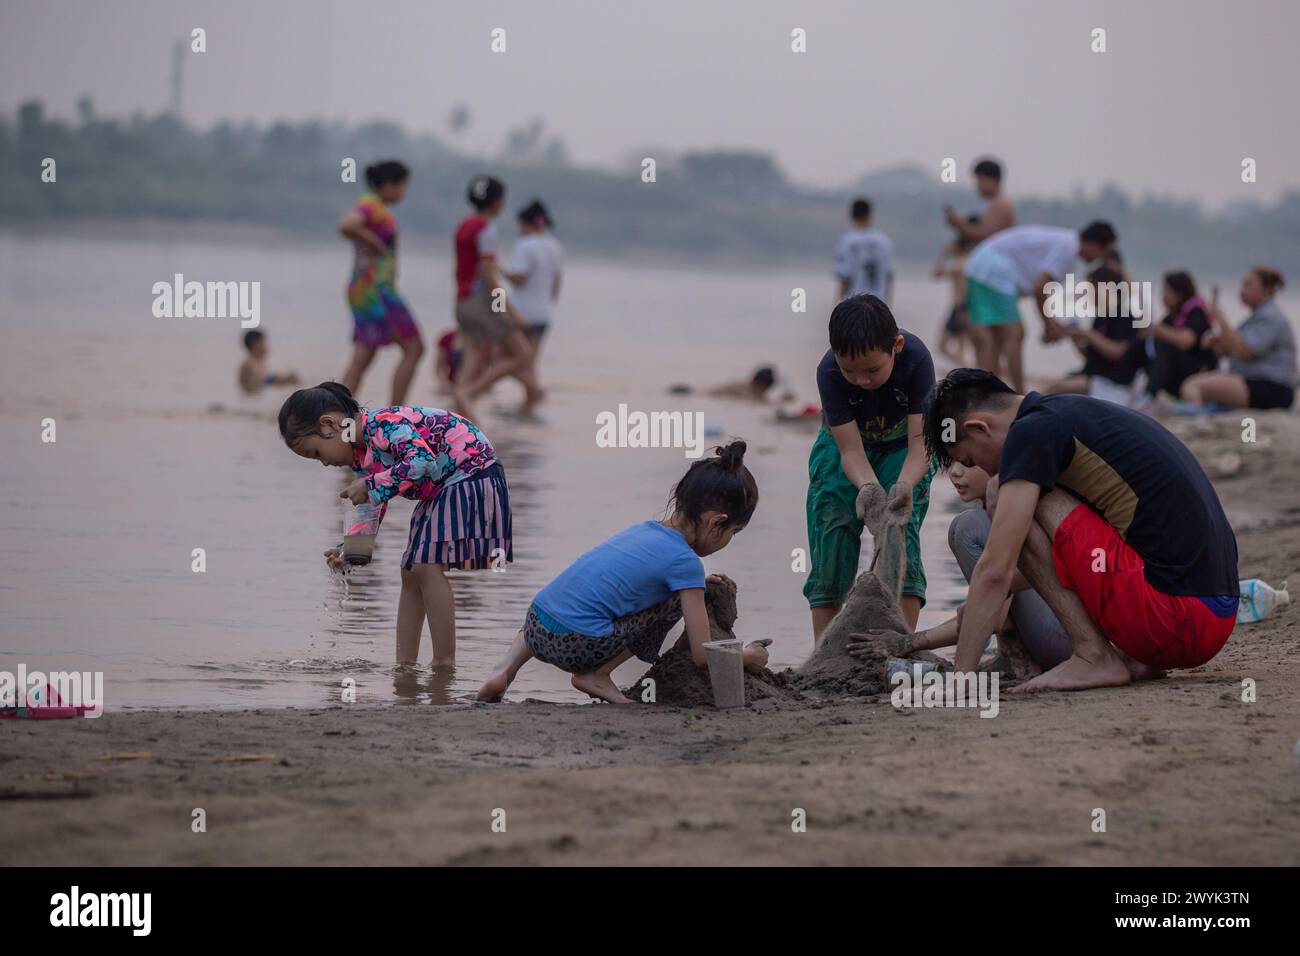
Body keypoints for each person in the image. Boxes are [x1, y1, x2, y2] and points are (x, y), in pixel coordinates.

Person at [922, 369, 1239, 692]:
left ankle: (1093, 655)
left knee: (999, 488)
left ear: (979, 426)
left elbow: (995, 570)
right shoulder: (1069, 414)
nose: (981, 469)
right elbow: (1035, 572)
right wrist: (976, 609)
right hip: (1217, 616)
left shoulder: (1030, 433)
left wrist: (960, 680)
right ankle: (1127, 656)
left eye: (971, 459)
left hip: (1174, 619)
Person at [476, 441, 768, 704]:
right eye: (734, 532)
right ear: (716, 522)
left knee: (565, 598)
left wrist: (691, 583)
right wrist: (746, 656)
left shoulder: (641, 531)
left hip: (534, 625)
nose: (730, 540)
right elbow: (702, 656)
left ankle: (503, 670)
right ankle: (597, 676)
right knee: (677, 599)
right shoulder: (686, 564)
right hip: (577, 646)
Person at [278, 382, 512, 665]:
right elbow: (372, 504)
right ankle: (405, 665)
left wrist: (372, 483)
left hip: (471, 473)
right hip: (444, 486)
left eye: (316, 453)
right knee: (410, 571)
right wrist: (351, 551)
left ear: (329, 424)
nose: (323, 463)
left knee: (426, 565)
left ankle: (443, 662)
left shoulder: (381, 425)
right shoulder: (361, 454)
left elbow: (422, 461)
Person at [850, 462, 1070, 672]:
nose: (955, 472)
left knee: (967, 527)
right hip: (1061, 635)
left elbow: (989, 616)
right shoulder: (1012, 502)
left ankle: (1018, 659)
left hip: (1063, 642)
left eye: (968, 462)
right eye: (951, 462)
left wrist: (907, 642)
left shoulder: (1014, 510)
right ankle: (1013, 655)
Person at [804, 294, 938, 640]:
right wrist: (866, 486)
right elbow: (849, 451)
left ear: (896, 345)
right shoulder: (829, 372)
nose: (861, 380)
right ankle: (826, 654)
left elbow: (921, 443)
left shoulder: (917, 361)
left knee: (899, 531)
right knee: (831, 528)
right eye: (851, 371)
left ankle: (901, 645)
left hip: (903, 448)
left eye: (872, 370)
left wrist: (905, 485)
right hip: (845, 448)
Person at [964, 220, 1118, 392]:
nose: (1099, 258)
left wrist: (1051, 324)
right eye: (1103, 252)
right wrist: (1048, 324)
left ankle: (984, 390)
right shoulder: (1069, 248)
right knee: (1014, 334)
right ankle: (1018, 394)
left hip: (982, 265)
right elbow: (1040, 288)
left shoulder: (1066, 242)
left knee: (996, 337)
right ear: (1096, 244)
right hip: (994, 271)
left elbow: (1042, 292)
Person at [452, 175, 544, 419]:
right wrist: (511, 312)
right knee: (523, 354)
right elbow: (489, 275)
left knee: (472, 355)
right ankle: (470, 393)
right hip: (481, 300)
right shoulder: (486, 229)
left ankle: (457, 413)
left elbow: (461, 269)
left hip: (462, 301)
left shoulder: (463, 225)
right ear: (495, 202)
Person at [338, 160, 424, 405]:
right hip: (375, 291)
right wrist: (373, 241)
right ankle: (396, 415)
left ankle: (335, 413)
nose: (403, 193)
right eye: (402, 187)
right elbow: (346, 225)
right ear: (388, 185)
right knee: (414, 348)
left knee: (363, 355)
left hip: (365, 289)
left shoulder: (376, 207)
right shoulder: (370, 205)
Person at [1180, 267, 1295, 411]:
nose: (1242, 290)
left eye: (1249, 285)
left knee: (1192, 386)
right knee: (1204, 388)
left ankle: (1194, 417)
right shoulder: (1257, 318)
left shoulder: (1271, 317)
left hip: (1270, 387)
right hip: (1258, 384)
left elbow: (1244, 351)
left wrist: (1220, 318)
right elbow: (1233, 349)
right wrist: (1218, 343)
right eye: (1242, 284)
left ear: (1266, 289)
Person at [1042, 259, 1142, 403]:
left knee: (1055, 389)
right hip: (1094, 378)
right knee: (1053, 386)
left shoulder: (1124, 315)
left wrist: (1088, 334)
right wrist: (1075, 340)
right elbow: (1091, 358)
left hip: (1112, 384)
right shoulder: (1101, 317)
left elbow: (1119, 352)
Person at [1129, 271, 1216, 403]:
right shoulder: (1170, 318)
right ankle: (1128, 389)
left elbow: (1186, 341)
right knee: (1141, 346)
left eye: (1166, 291)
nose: (1163, 296)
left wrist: (1153, 327)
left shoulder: (1195, 311)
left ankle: (1149, 397)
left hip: (1199, 370)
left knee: (1164, 345)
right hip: (1177, 375)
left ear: (1179, 292)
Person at [932, 219, 978, 365]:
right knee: (962, 348)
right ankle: (968, 370)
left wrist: (944, 253)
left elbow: (937, 273)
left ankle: (968, 370)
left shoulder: (962, 263)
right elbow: (937, 274)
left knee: (946, 345)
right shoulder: (968, 261)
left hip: (961, 307)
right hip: (964, 307)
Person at [944, 157, 1016, 244]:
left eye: (979, 180)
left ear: (991, 180)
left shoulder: (1000, 204)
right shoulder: (999, 202)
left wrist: (959, 225)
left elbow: (985, 235)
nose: (977, 186)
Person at [834, 198, 894, 302]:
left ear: (851, 216)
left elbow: (845, 278)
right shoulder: (884, 241)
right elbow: (888, 277)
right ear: (870, 215)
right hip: (878, 305)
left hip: (854, 306)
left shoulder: (848, 241)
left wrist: (837, 309)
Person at [238, 329, 300, 395]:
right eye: (263, 343)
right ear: (255, 345)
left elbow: (263, 381)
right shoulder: (249, 364)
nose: (266, 346)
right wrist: (278, 379)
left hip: (256, 396)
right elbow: (259, 383)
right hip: (251, 399)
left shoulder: (259, 362)